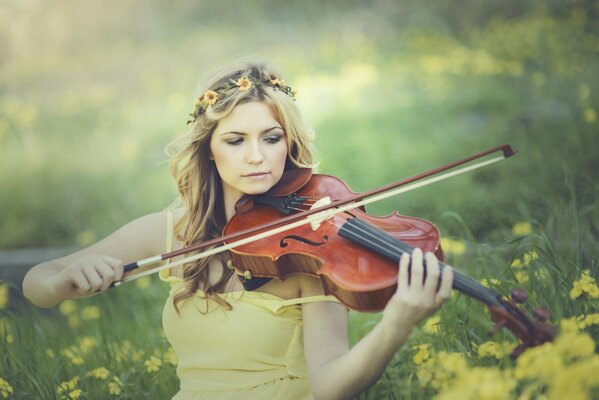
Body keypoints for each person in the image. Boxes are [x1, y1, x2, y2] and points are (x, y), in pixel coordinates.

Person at [22, 59, 453, 400]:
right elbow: (35, 284)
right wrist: (63, 281)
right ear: (208, 150)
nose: (256, 157)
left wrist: (396, 324)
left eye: (271, 138)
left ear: (290, 143)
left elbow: (330, 386)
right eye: (235, 140)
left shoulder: (310, 249)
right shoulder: (174, 230)